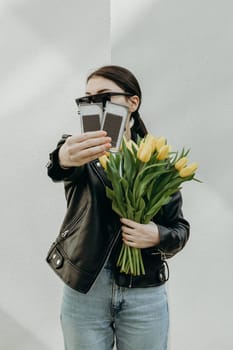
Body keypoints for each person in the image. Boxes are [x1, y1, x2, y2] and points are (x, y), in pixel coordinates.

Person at [46, 65, 190, 350]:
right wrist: (63, 156)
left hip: (144, 291)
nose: (93, 103)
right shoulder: (81, 152)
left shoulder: (158, 163)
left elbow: (180, 229)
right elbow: (59, 165)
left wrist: (157, 236)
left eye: (103, 95)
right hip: (86, 288)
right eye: (87, 97)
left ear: (132, 102)